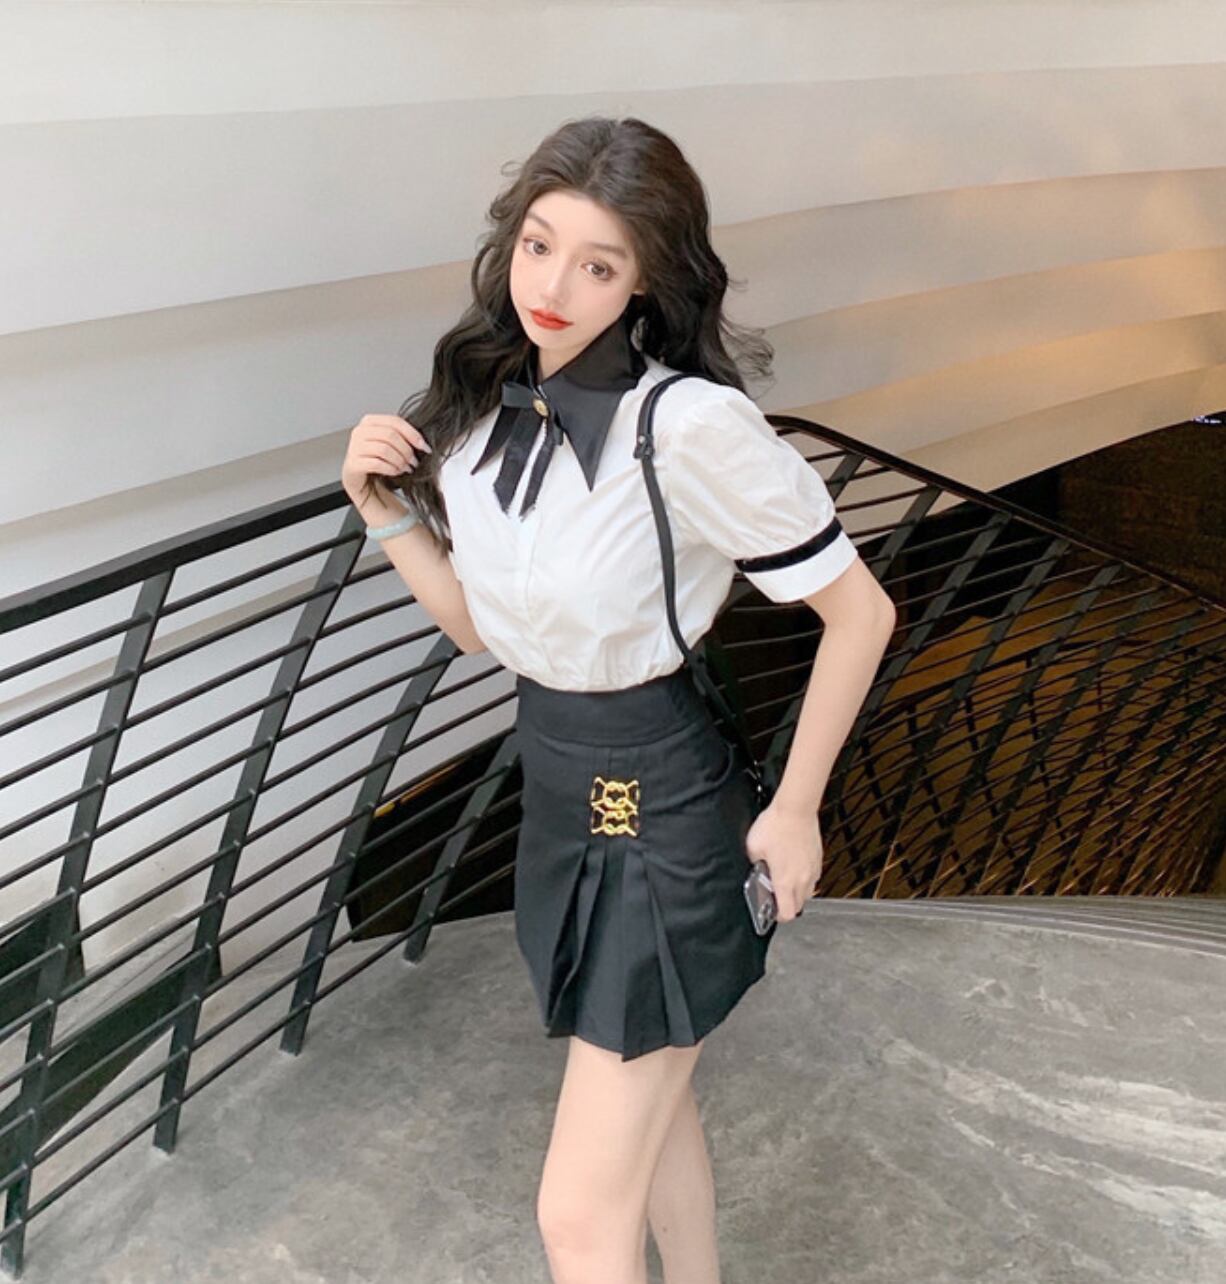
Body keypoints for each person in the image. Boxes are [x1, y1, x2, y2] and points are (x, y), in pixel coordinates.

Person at [341, 116, 895, 1284]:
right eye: (537, 246)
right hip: (562, 791)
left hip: (656, 803)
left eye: (596, 265)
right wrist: (384, 513)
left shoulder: (684, 427)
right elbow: (484, 632)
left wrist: (794, 810)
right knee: (651, 1117)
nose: (551, 289)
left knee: (577, 1219)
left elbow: (860, 612)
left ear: (644, 280)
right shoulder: (484, 417)